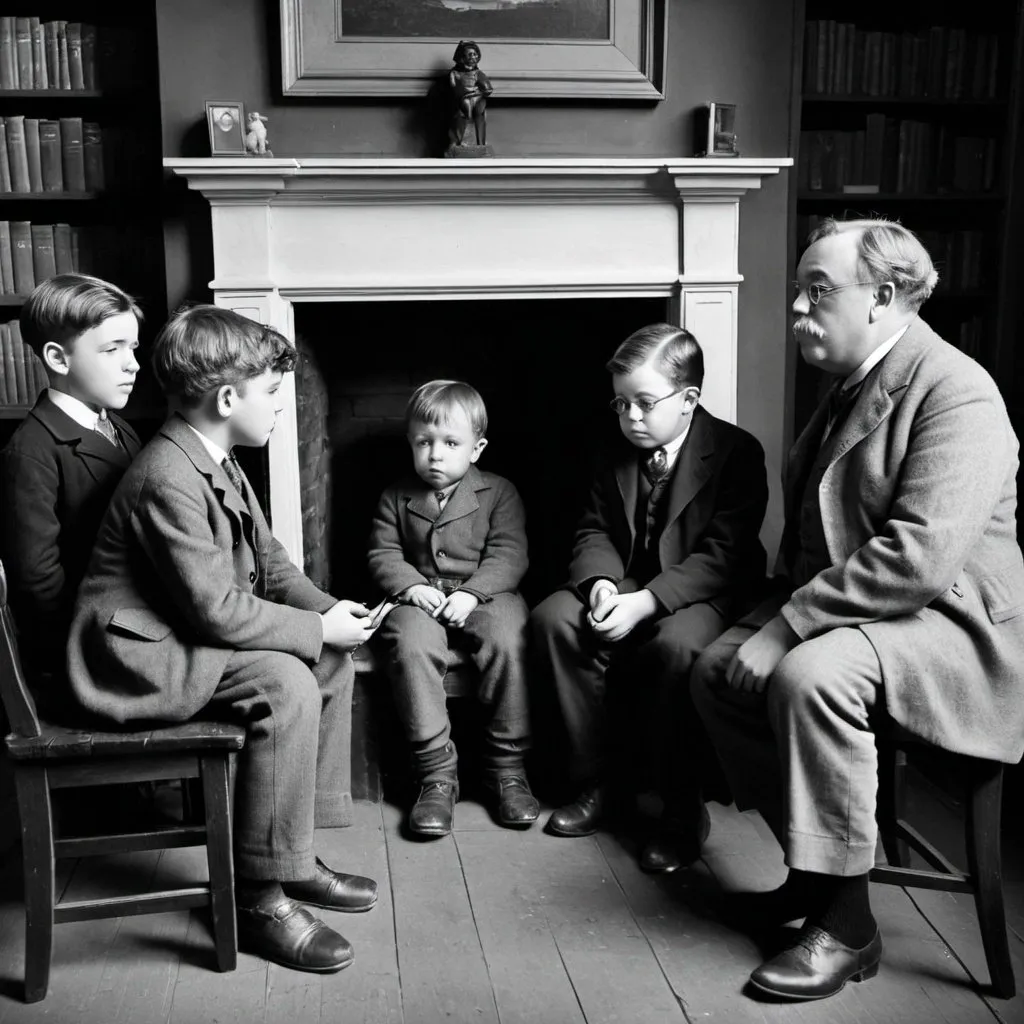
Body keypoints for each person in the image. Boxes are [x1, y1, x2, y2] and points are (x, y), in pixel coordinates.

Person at [690, 217, 1024, 1002]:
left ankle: (847, 925)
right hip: (871, 609)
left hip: (949, 624)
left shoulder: (957, 388)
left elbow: (918, 558)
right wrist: (763, 617)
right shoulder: (851, 384)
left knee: (808, 677)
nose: (799, 308)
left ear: (881, 297)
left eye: (818, 291)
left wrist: (783, 625)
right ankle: (816, 878)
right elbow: (820, 538)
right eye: (801, 290)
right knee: (714, 671)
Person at [67, 305, 379, 975]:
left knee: (327, 659)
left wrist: (332, 616)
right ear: (227, 398)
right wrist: (315, 629)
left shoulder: (218, 458)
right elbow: (217, 613)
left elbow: (270, 563)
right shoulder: (168, 475)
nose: (279, 409)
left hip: (185, 634)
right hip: (138, 655)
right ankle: (259, 898)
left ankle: (291, 856)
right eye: (272, 394)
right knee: (287, 677)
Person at [530, 324, 768, 871]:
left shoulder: (736, 452)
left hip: (702, 592)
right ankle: (598, 782)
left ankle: (682, 808)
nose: (629, 417)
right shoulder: (610, 448)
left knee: (677, 649)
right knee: (553, 619)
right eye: (620, 404)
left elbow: (723, 557)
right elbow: (592, 530)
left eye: (643, 403)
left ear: (688, 400)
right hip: (627, 581)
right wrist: (601, 585)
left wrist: (649, 602)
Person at [368, 379, 537, 837]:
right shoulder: (396, 496)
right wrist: (410, 586)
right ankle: (436, 774)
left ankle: (507, 768)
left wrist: (472, 593)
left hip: (485, 593)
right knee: (409, 640)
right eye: (424, 443)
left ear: (477, 448)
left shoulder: (499, 492)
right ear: (411, 443)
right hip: (419, 595)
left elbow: (508, 554)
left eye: (450, 443)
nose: (435, 455)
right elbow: (383, 554)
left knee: (510, 635)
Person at [0, 274, 143, 711]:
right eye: (111, 349)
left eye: (132, 347)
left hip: (134, 623)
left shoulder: (120, 429)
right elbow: (39, 586)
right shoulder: (31, 452)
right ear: (59, 359)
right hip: (87, 656)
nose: (132, 364)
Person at [447, 40, 492, 150]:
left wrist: (482, 89)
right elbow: (454, 88)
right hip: (462, 99)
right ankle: (458, 143)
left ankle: (480, 144)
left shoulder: (477, 73)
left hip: (477, 97)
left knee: (479, 112)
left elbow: (487, 88)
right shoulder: (455, 73)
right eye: (469, 54)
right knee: (463, 110)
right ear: (462, 57)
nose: (473, 57)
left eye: (475, 54)